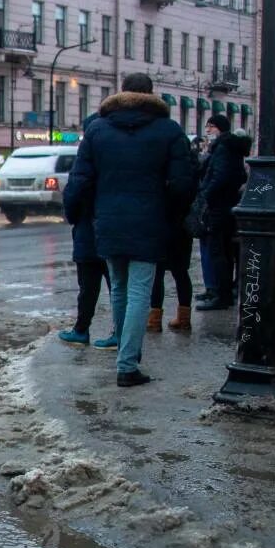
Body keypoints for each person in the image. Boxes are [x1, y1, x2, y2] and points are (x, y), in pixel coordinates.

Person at [64, 73, 196, 387]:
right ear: (152, 95)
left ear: (121, 93)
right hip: (150, 220)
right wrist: (172, 216)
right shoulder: (169, 131)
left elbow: (79, 181)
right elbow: (183, 184)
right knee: (139, 291)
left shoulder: (97, 130)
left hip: (107, 221)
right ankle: (127, 364)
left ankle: (127, 356)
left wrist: (75, 214)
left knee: (121, 289)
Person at [60, 112, 116, 350]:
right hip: (114, 231)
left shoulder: (86, 159)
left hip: (88, 231)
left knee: (88, 287)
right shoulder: (117, 157)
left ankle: (81, 330)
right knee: (119, 287)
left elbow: (73, 192)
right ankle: (119, 332)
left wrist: (74, 218)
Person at [196, 114, 251, 311]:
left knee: (218, 250)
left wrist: (206, 194)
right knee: (224, 251)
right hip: (227, 205)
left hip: (219, 206)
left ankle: (221, 294)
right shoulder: (229, 147)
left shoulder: (223, 148)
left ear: (220, 128)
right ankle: (222, 291)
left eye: (211, 126)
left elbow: (219, 176)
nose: (208, 130)